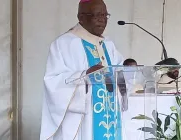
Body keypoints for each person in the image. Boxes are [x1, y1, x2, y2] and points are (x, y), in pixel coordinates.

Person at [40, 0, 125, 140]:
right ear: (81, 17)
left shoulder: (108, 45)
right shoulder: (64, 44)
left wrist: (128, 68)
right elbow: (53, 82)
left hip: (111, 115)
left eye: (105, 15)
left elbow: (122, 75)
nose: (102, 20)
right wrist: (84, 75)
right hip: (82, 121)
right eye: (97, 15)